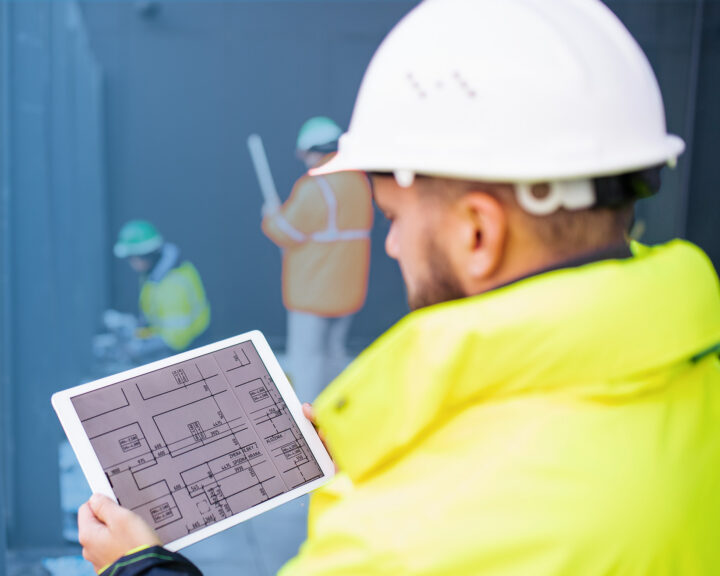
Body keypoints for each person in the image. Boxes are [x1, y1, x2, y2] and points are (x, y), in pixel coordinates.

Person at [78, 1, 720, 574]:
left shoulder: (402, 543)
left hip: (310, 290)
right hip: (343, 292)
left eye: (396, 217)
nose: (392, 243)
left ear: (477, 233)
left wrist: (139, 566)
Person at [261, 116, 374, 401]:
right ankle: (335, 416)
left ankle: (308, 422)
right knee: (334, 356)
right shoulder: (359, 182)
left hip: (312, 293)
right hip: (347, 292)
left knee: (307, 362)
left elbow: (285, 231)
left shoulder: (314, 186)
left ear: (312, 150)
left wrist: (270, 215)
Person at [109, 219, 210, 360]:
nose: (131, 263)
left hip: (189, 352)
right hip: (177, 342)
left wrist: (139, 349)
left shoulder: (172, 286)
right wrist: (141, 332)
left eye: (132, 257)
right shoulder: (156, 274)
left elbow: (176, 339)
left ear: (146, 254)